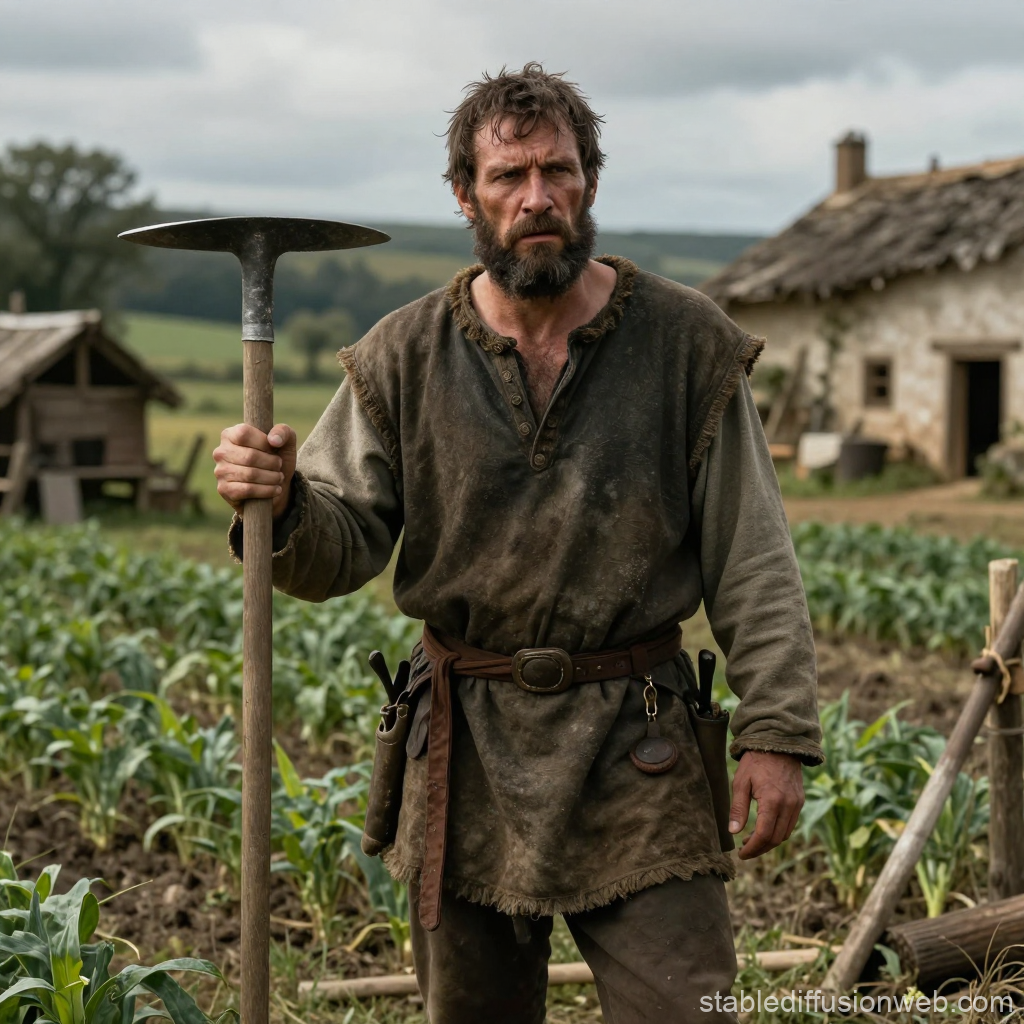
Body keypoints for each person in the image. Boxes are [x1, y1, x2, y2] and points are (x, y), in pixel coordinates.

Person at [213, 63, 822, 1024]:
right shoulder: (401, 357)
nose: (537, 197)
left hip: (641, 741)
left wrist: (778, 730)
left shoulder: (684, 345)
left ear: (590, 182)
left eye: (558, 170)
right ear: (465, 195)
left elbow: (753, 556)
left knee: (687, 1009)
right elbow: (336, 551)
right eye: (508, 176)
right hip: (465, 753)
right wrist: (281, 505)